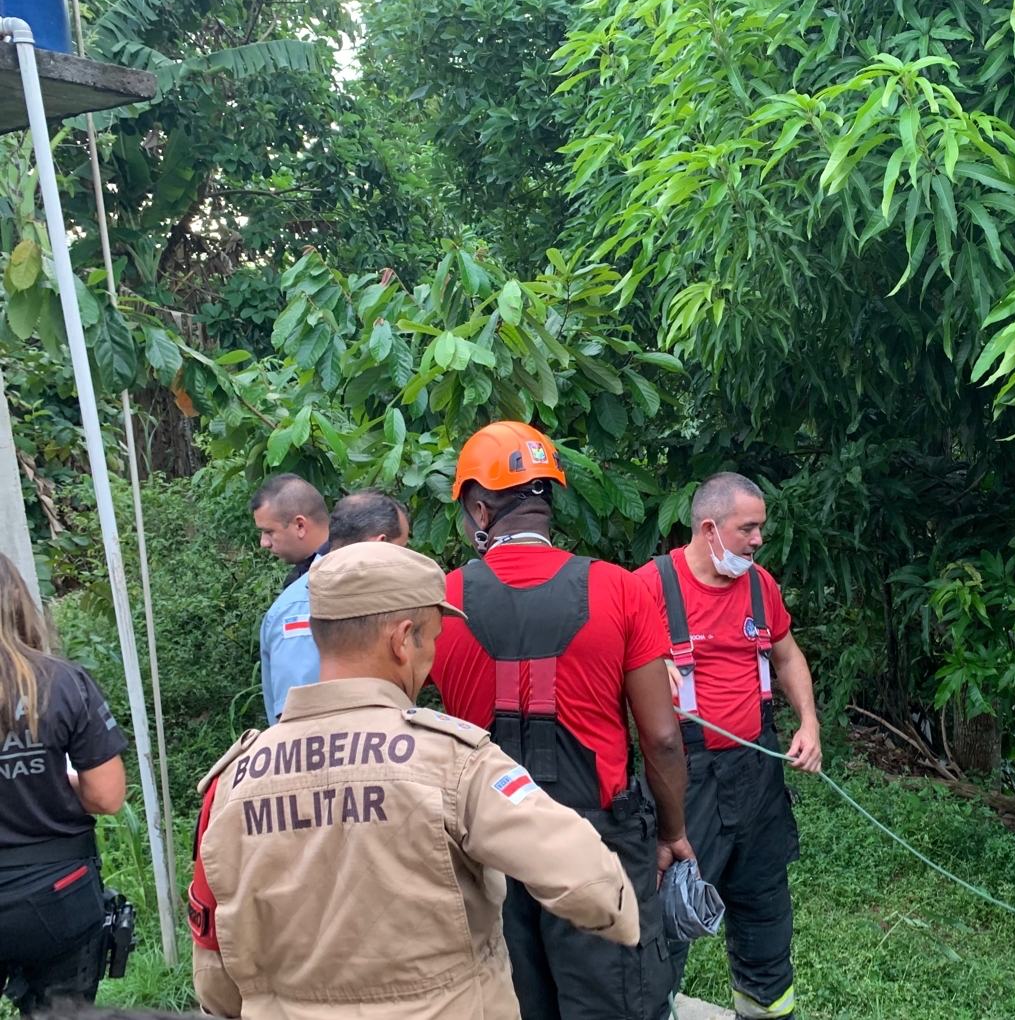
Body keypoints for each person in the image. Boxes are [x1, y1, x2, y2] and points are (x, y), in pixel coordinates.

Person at [188, 541, 638, 1020]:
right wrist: (623, 915)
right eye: (433, 638)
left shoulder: (232, 781)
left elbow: (215, 976)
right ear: (402, 640)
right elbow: (590, 885)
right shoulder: (453, 761)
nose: (432, 657)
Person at [429, 421, 691, 1020]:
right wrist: (671, 832)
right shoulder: (621, 590)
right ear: (549, 498)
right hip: (597, 847)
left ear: (478, 507)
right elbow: (662, 736)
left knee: (510, 1004)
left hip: (486, 847)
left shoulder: (440, 600)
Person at [634, 472, 821, 1020]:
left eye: (760, 528)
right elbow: (603, 670)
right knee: (667, 918)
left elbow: (786, 656)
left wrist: (808, 723)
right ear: (709, 528)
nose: (759, 540)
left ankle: (763, 1011)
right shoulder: (647, 587)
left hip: (757, 778)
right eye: (749, 529)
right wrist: (645, 670)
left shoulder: (760, 586)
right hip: (683, 779)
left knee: (765, 913)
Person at [0, 553, 128, 1016]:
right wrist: (57, 781)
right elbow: (107, 796)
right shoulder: (61, 682)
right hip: (57, 896)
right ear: (17, 603)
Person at [257, 490, 410, 723]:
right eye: (402, 549)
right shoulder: (304, 607)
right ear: (379, 545)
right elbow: (301, 721)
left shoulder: (370, 597)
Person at [249, 475, 329, 590]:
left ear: (300, 526)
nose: (264, 543)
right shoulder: (300, 575)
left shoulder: (341, 574)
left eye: (269, 532)